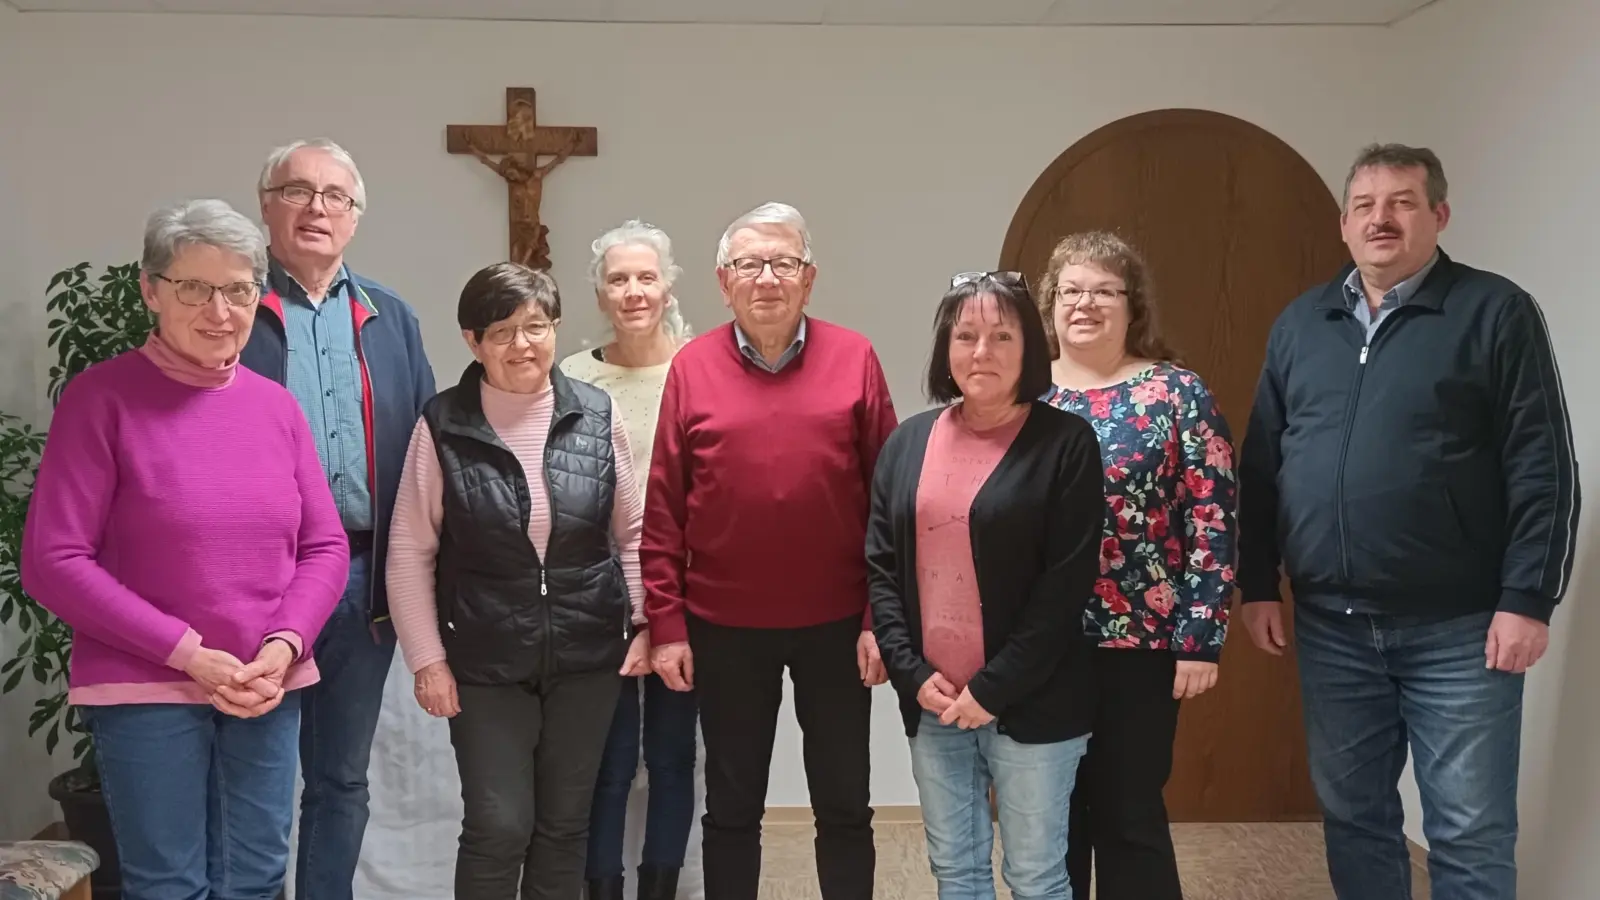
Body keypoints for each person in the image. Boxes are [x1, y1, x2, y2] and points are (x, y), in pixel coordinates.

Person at [1237, 143, 1579, 900]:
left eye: (1401, 202)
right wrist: (1257, 581)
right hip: (1332, 627)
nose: (1381, 219)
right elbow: (1259, 467)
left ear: (1439, 215)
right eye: (1365, 206)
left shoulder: (1495, 312)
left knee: (1468, 829)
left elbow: (1543, 466)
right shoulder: (1304, 323)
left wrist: (1527, 599)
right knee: (1353, 817)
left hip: (1460, 629)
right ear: (1344, 224)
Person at [20, 199, 349, 899]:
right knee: (169, 885)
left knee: (258, 879)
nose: (219, 311)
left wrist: (283, 647)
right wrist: (188, 653)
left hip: (264, 686)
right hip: (146, 688)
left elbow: (324, 546)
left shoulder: (276, 408)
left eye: (236, 290)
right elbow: (54, 561)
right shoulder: (99, 399)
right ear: (151, 290)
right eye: (194, 288)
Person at [642, 201, 898, 900]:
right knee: (731, 810)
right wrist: (667, 625)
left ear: (809, 278)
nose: (767, 278)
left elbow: (890, 502)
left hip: (839, 624)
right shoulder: (692, 367)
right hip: (724, 626)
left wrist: (883, 619)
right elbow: (663, 506)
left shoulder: (856, 358)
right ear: (724, 282)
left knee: (845, 806)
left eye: (783, 263)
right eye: (750, 264)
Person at [386, 262, 648, 900]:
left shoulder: (595, 414)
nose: (522, 345)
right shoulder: (443, 423)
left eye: (536, 327)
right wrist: (427, 661)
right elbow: (409, 550)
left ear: (555, 330)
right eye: (501, 332)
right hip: (483, 660)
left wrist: (643, 622)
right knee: (499, 826)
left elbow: (632, 533)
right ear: (472, 342)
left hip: (588, 656)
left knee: (564, 828)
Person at [867, 271, 1104, 900]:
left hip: (1035, 701)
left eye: (1002, 336)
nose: (981, 352)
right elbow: (883, 570)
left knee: (1035, 876)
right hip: (934, 700)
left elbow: (1066, 584)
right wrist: (913, 674)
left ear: (1030, 347)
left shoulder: (1066, 444)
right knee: (957, 871)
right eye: (966, 335)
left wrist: (992, 689)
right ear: (946, 347)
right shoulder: (907, 442)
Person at [241, 137, 437, 900]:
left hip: (362, 580)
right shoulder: (232, 308)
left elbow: (424, 453)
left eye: (336, 197)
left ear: (355, 216)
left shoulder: (392, 318)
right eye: (297, 191)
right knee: (255, 773)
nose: (317, 208)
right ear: (266, 206)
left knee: (340, 777)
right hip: (258, 580)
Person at [1036, 232, 1237, 900]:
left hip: (1142, 648)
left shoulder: (1176, 393)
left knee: (1129, 815)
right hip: (1040, 647)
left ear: (1132, 304)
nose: (1085, 304)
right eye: (1072, 290)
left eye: (1104, 290)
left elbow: (1213, 518)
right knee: (1049, 824)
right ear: (1051, 302)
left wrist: (1200, 638)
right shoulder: (1022, 397)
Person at [561, 220, 698, 900]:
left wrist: (664, 611)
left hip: (686, 595)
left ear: (668, 285)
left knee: (673, 758)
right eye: (618, 279)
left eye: (646, 277)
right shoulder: (573, 377)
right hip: (597, 598)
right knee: (607, 762)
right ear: (600, 292)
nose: (633, 291)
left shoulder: (700, 369)